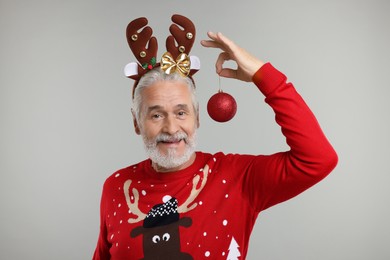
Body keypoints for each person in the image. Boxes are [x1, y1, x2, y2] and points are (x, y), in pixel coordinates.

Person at [93, 19, 338, 259]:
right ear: (137, 122)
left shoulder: (237, 178)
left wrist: (262, 76)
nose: (171, 127)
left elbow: (318, 159)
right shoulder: (116, 186)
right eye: (156, 115)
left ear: (197, 118)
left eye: (181, 113)